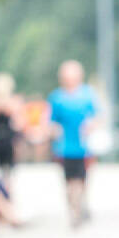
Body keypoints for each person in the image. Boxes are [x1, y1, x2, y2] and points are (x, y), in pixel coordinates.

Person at [47, 60, 98, 227]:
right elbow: (51, 120)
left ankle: (80, 204)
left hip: (84, 146)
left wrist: (91, 125)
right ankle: (74, 211)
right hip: (64, 147)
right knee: (69, 182)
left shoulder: (87, 94)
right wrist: (54, 130)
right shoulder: (57, 97)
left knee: (82, 180)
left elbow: (97, 116)